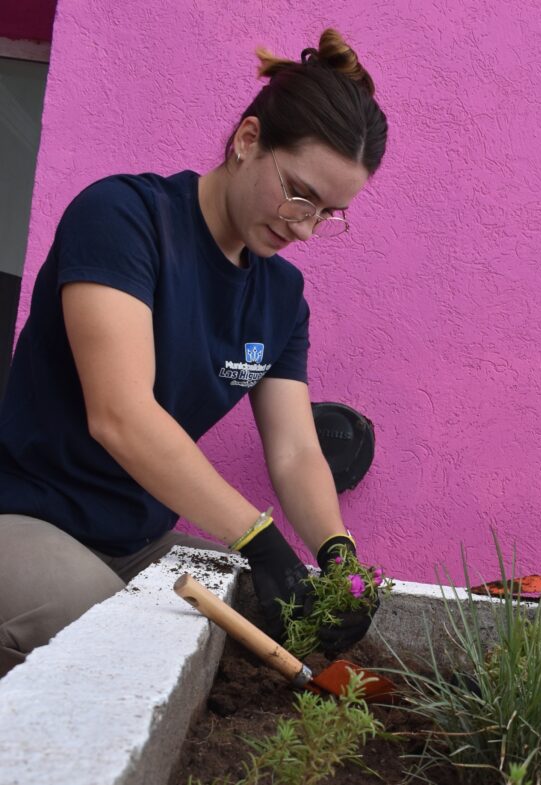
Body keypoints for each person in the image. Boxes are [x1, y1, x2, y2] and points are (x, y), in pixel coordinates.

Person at [0, 29, 388, 678]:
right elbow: (121, 415)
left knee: (253, 635)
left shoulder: (281, 297)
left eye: (328, 213)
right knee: (121, 648)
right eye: (299, 193)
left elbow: (295, 451)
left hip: (137, 537)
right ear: (248, 140)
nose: (303, 227)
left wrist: (337, 554)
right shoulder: (124, 219)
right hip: (26, 517)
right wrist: (257, 537)